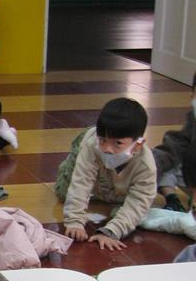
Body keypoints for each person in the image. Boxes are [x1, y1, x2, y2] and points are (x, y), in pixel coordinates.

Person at [54, 97, 156, 251]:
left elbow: (138, 202)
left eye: (118, 143)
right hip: (88, 154)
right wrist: (74, 221)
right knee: (63, 192)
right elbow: (81, 182)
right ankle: (80, 146)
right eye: (103, 140)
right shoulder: (92, 145)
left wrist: (111, 231)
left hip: (115, 183)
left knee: (125, 211)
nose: (107, 149)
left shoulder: (146, 166)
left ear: (138, 145)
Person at [152, 70, 196, 212]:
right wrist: (151, 162)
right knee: (165, 163)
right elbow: (176, 144)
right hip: (192, 179)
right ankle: (173, 201)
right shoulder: (193, 117)